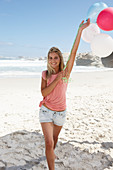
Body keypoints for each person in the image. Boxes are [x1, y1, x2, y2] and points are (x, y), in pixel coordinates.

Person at [39, 18, 90, 170]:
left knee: (54, 140)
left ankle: (50, 154)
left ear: (60, 58)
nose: (53, 60)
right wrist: (55, 80)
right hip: (46, 111)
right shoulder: (45, 74)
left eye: (55, 57)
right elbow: (44, 92)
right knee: (48, 142)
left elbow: (74, 51)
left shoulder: (66, 73)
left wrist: (80, 30)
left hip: (61, 113)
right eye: (50, 58)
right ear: (48, 60)